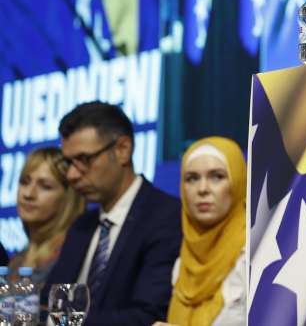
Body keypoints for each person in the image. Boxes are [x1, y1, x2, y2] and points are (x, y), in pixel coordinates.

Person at [45, 101, 182, 325]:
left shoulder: (166, 217)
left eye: (83, 160)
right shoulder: (81, 226)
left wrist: (67, 322)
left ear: (123, 150)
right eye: (68, 162)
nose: (71, 175)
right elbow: (49, 304)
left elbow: (148, 316)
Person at [153, 137, 246, 326]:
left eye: (217, 176)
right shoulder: (184, 262)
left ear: (238, 182)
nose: (202, 189)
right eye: (192, 178)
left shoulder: (254, 256)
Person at [6, 147, 85, 282]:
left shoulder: (73, 255)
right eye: (24, 182)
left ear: (68, 197)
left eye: (45, 186)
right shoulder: (15, 261)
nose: (28, 194)